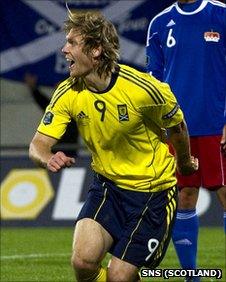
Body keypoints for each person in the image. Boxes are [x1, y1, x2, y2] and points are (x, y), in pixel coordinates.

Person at [29, 10, 198, 282]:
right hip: (107, 188)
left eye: (72, 42)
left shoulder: (143, 89)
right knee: (83, 262)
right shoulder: (68, 92)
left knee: (119, 277)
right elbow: (37, 144)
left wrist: (185, 162)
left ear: (96, 50)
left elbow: (177, 127)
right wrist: (47, 158)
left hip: (152, 195)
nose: (64, 49)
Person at [146, 0, 226, 281]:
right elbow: (153, 79)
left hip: (217, 122)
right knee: (185, 195)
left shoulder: (221, 13)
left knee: (225, 192)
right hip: (178, 127)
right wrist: (156, 123)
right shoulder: (159, 23)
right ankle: (191, 275)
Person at [24, 73, 79, 157]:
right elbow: (43, 102)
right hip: (55, 154)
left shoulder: (76, 106)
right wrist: (33, 88)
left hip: (70, 153)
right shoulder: (56, 108)